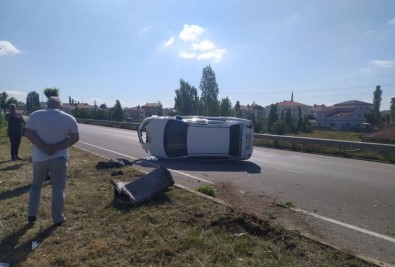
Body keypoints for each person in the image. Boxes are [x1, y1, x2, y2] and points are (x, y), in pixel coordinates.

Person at [24, 97, 79, 226]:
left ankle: (32, 214)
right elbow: (75, 137)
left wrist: (43, 146)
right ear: (60, 106)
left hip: (39, 158)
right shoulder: (69, 118)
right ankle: (58, 218)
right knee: (58, 189)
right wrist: (56, 148)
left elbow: (28, 133)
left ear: (47, 105)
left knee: (36, 186)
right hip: (59, 158)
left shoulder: (35, 115)